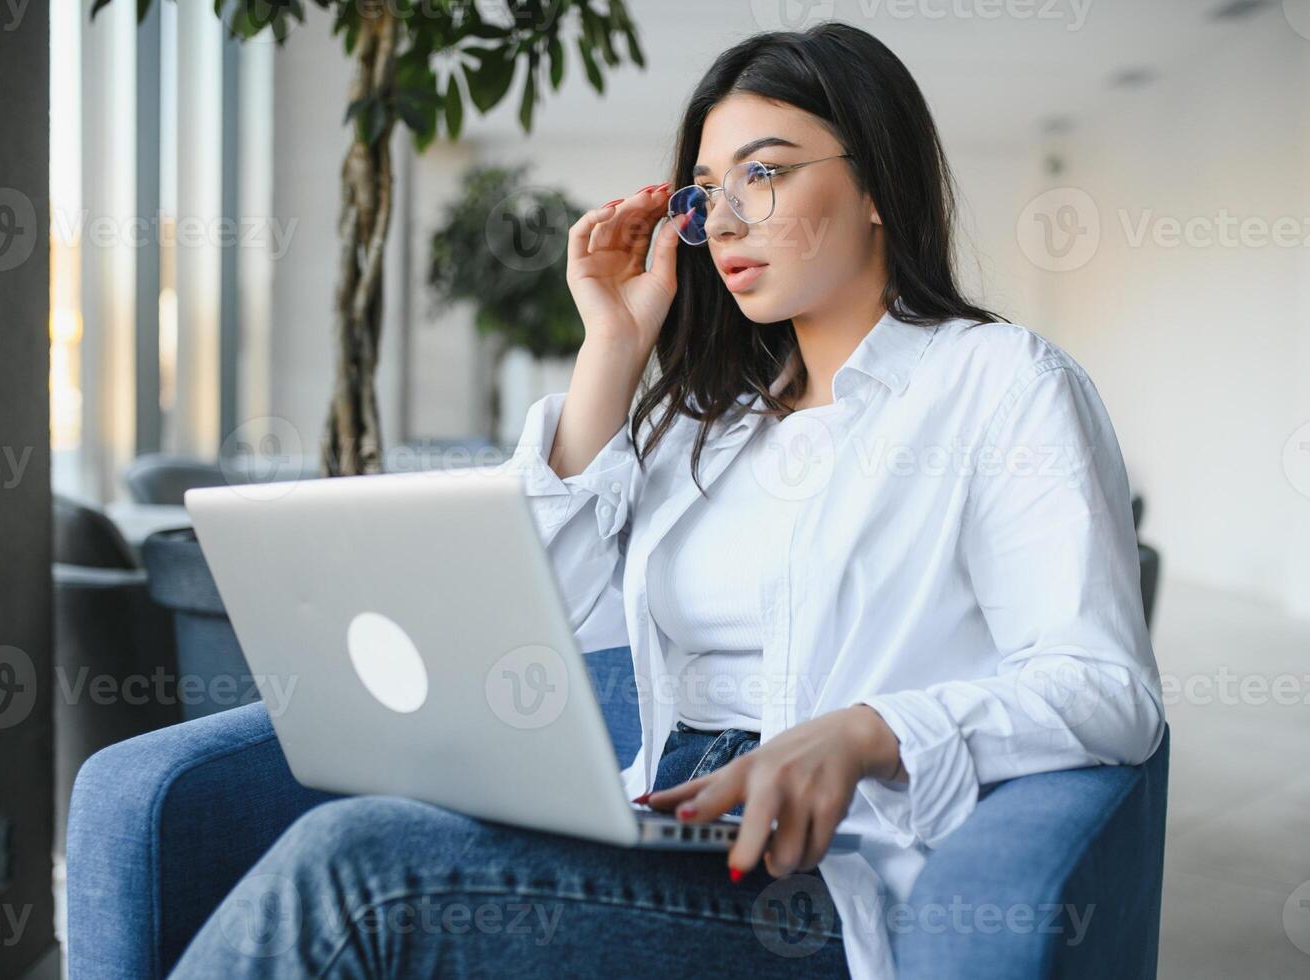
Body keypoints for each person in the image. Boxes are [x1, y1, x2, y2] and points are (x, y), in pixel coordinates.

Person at [168, 21, 1164, 980]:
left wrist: (866, 729)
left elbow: (1106, 688)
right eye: (705, 193)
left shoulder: (998, 382)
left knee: (354, 867)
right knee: (370, 842)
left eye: (763, 174)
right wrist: (613, 346)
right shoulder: (710, 424)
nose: (723, 220)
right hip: (663, 821)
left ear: (875, 184)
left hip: (816, 877)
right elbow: (542, 622)